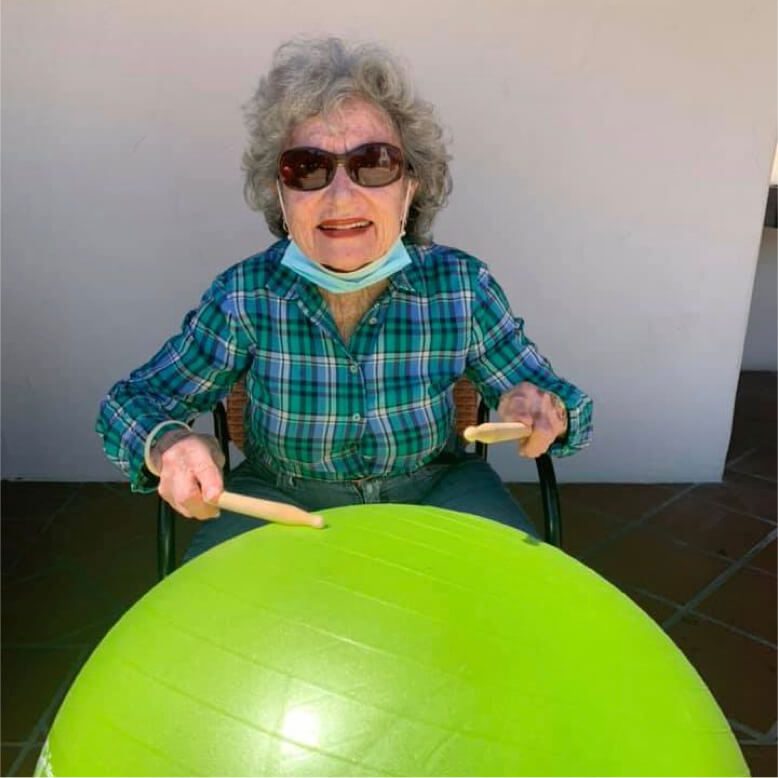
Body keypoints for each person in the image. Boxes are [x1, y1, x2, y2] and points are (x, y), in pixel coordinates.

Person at [97, 37, 593, 560]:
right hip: (281, 495)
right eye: (307, 169)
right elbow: (131, 403)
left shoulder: (461, 288)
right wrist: (168, 445)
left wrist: (546, 409)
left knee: (510, 606)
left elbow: (567, 404)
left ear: (410, 187)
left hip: (436, 489)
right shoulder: (245, 296)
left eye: (373, 164)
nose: (340, 197)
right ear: (280, 193)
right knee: (210, 623)